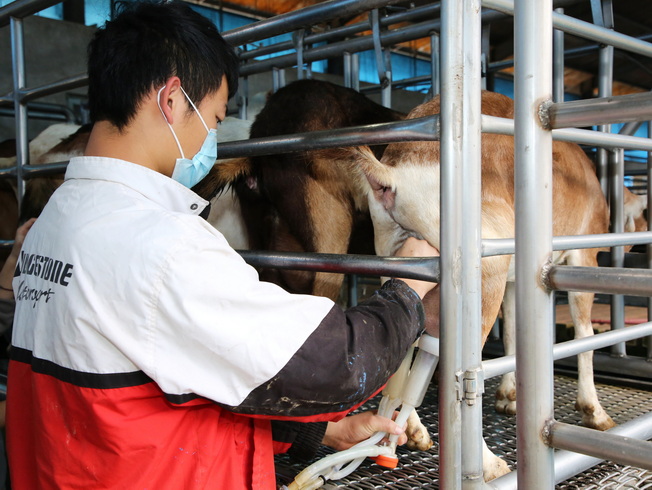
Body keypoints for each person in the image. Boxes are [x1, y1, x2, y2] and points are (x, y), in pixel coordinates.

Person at [6, 2, 440, 489]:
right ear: (171, 101)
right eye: (213, 119)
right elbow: (336, 366)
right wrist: (407, 285)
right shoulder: (162, 246)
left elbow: (154, 386)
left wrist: (317, 433)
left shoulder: (56, 219)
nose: (213, 137)